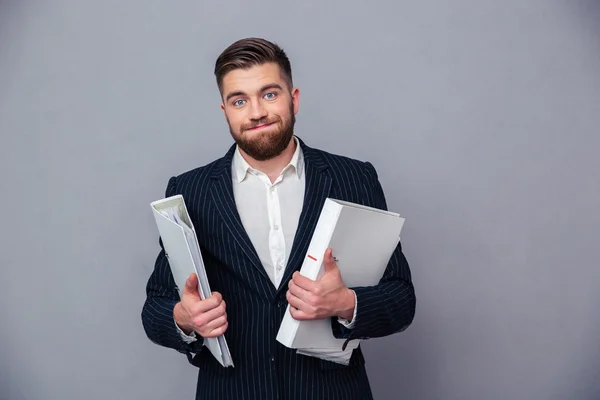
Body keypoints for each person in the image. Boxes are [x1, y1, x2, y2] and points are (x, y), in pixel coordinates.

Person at [141, 37, 416, 400]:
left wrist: (346, 303)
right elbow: (155, 307)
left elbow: (401, 298)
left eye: (269, 94)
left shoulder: (354, 178)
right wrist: (183, 318)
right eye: (240, 101)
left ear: (294, 98)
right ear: (225, 111)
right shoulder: (190, 190)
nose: (256, 112)